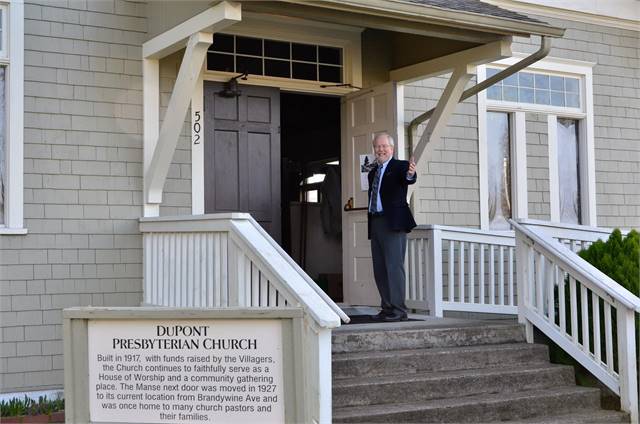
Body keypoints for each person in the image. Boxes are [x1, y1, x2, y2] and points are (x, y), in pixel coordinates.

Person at [367, 133, 417, 322]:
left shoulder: (400, 166)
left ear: (392, 148)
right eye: (377, 147)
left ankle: (398, 310)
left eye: (384, 146)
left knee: (394, 267)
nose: (380, 150)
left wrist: (411, 174)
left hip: (393, 223)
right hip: (376, 222)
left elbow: (408, 178)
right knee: (379, 268)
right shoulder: (373, 172)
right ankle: (387, 308)